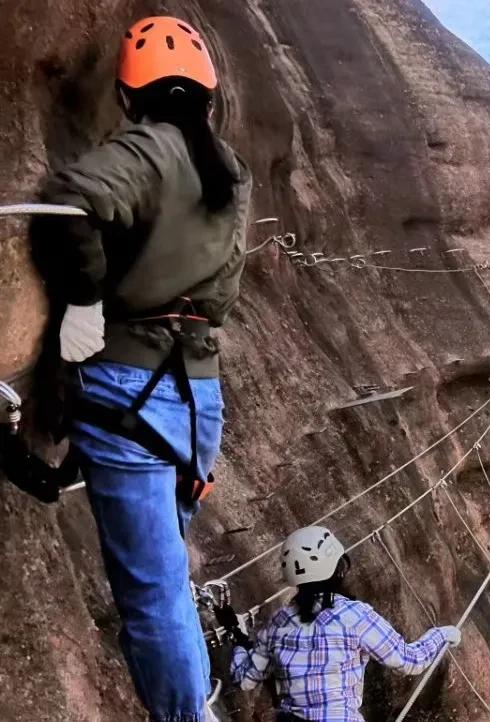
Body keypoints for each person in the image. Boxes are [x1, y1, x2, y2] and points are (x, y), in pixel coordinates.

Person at [29, 16, 251, 722]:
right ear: (208, 98)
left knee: (152, 595)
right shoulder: (226, 170)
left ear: (129, 97)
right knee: (167, 578)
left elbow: (68, 201)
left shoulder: (149, 150)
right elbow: (221, 290)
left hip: (129, 388)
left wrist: (86, 300)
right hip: (196, 398)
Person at [220, 526, 462, 722]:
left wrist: (240, 640)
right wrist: (442, 635)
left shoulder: (278, 623)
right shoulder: (354, 616)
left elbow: (245, 680)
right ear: (338, 570)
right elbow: (409, 661)